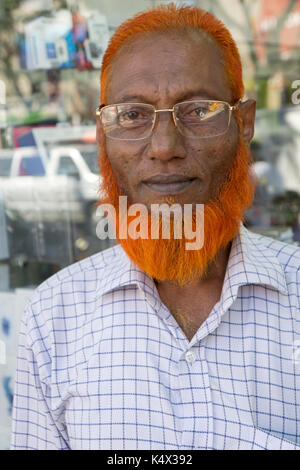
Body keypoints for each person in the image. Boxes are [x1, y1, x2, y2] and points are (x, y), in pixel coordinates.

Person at [10, 3, 300, 450]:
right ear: (103, 134)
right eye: (132, 115)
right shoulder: (53, 319)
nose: (164, 147)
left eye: (199, 110)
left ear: (243, 123)